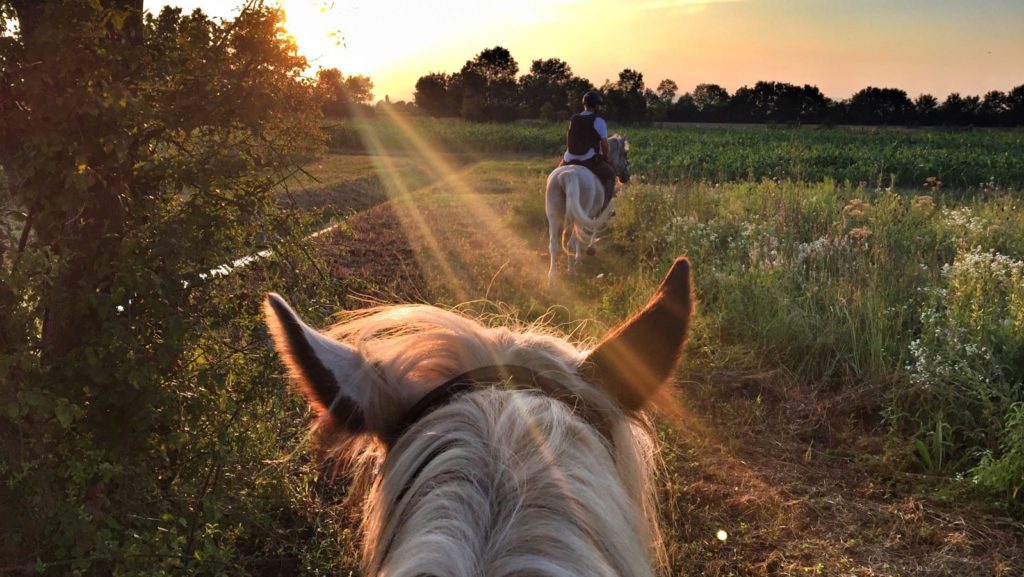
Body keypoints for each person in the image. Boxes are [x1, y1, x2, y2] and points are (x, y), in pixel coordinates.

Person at [559, 91, 617, 209]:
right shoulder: (599, 121)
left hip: (569, 158)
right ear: (596, 106)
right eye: (598, 105)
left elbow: (569, 139)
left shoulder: (573, 119)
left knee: (554, 177)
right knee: (611, 175)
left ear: (584, 104)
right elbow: (605, 145)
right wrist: (605, 157)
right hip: (588, 160)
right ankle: (604, 208)